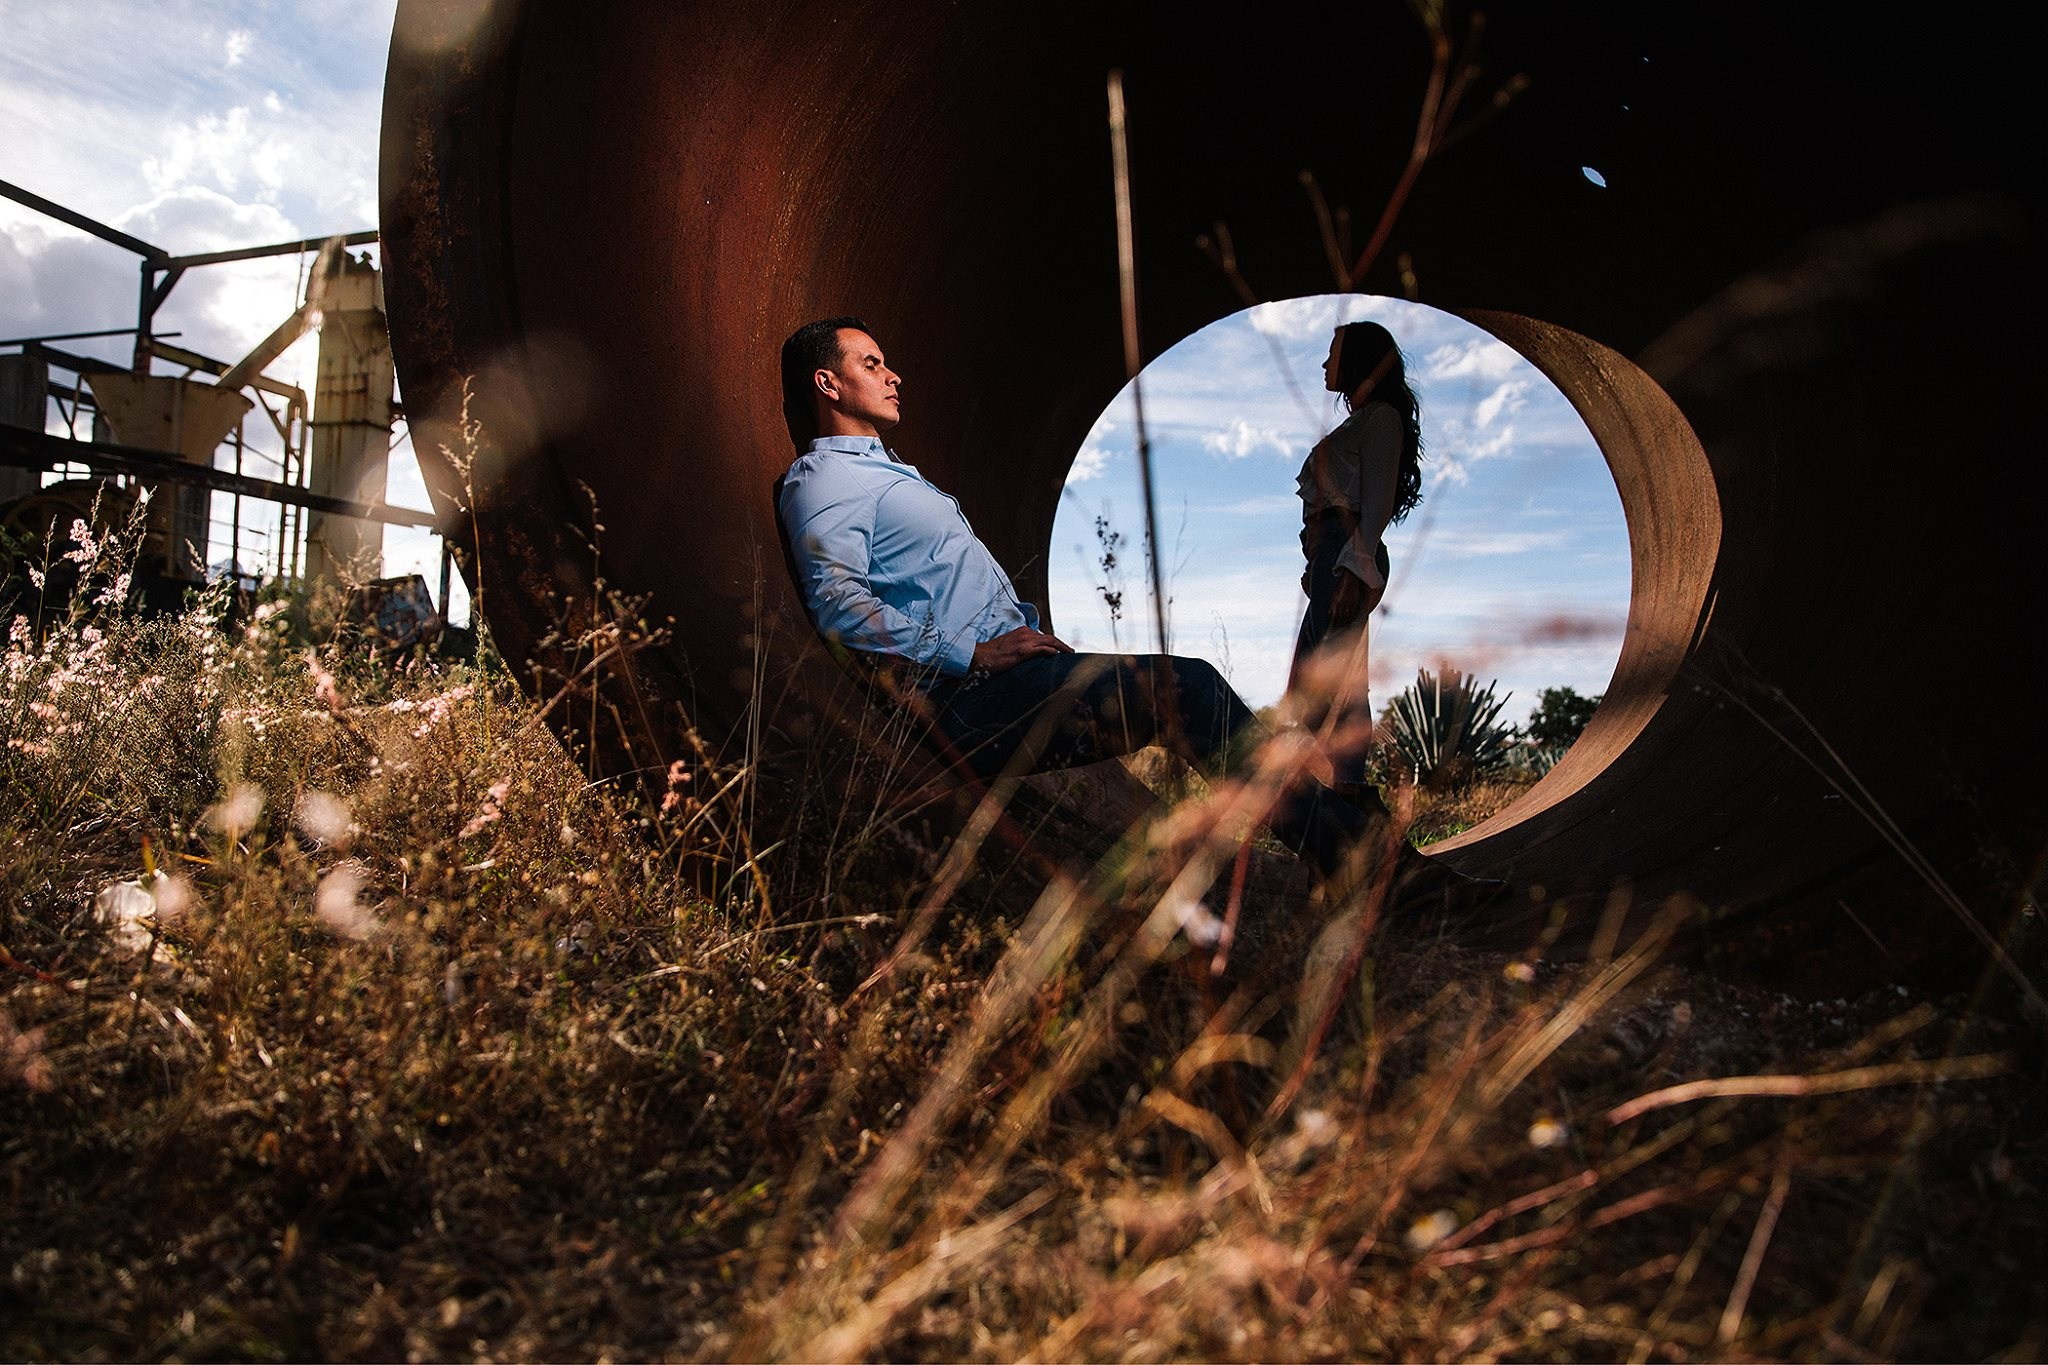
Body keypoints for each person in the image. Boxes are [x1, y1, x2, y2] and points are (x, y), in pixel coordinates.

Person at [774, 315, 1374, 881]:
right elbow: (837, 601)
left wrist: (1030, 643)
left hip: (1004, 684)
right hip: (961, 702)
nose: (893, 375)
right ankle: (1351, 853)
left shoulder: (885, 471)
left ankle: (1345, 844)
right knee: (1186, 688)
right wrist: (974, 654)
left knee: (1188, 692)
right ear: (828, 383)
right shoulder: (824, 479)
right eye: (873, 364)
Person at [1289, 320, 1425, 798]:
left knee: (1328, 682)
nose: (1326, 364)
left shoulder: (1381, 418)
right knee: (1326, 680)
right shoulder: (1361, 421)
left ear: (1359, 361)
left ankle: (1348, 787)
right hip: (1331, 558)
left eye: (1333, 355)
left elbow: (1378, 503)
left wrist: (1354, 567)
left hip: (1349, 556)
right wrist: (1318, 561)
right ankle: (1345, 783)